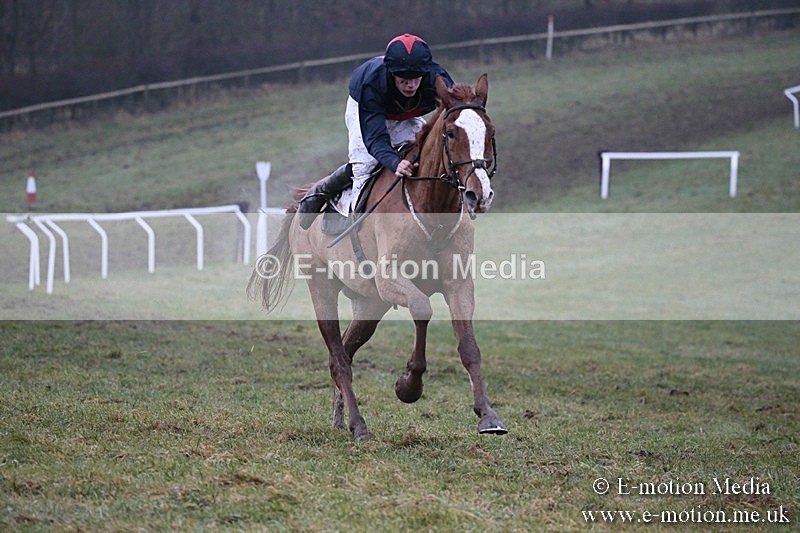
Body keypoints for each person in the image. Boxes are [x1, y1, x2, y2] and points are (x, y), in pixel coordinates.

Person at [298, 33, 455, 229]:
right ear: (391, 73)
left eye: (416, 78)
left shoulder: (438, 79)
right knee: (365, 165)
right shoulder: (372, 83)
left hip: (405, 114)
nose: (410, 85)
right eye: (403, 79)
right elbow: (375, 139)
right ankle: (327, 195)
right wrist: (395, 162)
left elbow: (458, 112)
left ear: (426, 72)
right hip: (366, 110)